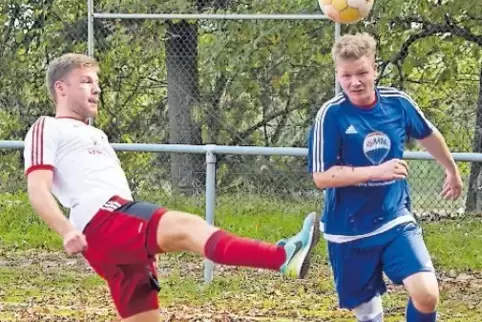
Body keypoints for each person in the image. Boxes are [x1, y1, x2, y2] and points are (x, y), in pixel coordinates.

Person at [23, 53, 321, 322]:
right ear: (61, 88)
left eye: (96, 82)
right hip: (103, 219)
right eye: (85, 81)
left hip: (113, 234)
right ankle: (282, 257)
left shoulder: (96, 134)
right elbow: (38, 188)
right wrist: (66, 230)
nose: (96, 88)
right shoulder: (47, 127)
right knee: (190, 227)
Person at [307, 32, 463, 322]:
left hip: (394, 219)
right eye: (346, 75)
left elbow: (428, 135)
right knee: (369, 314)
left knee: (427, 295)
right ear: (338, 75)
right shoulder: (331, 115)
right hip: (348, 230)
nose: (354, 82)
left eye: (362, 73)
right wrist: (377, 171)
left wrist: (451, 170)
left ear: (375, 70)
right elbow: (322, 176)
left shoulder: (397, 103)